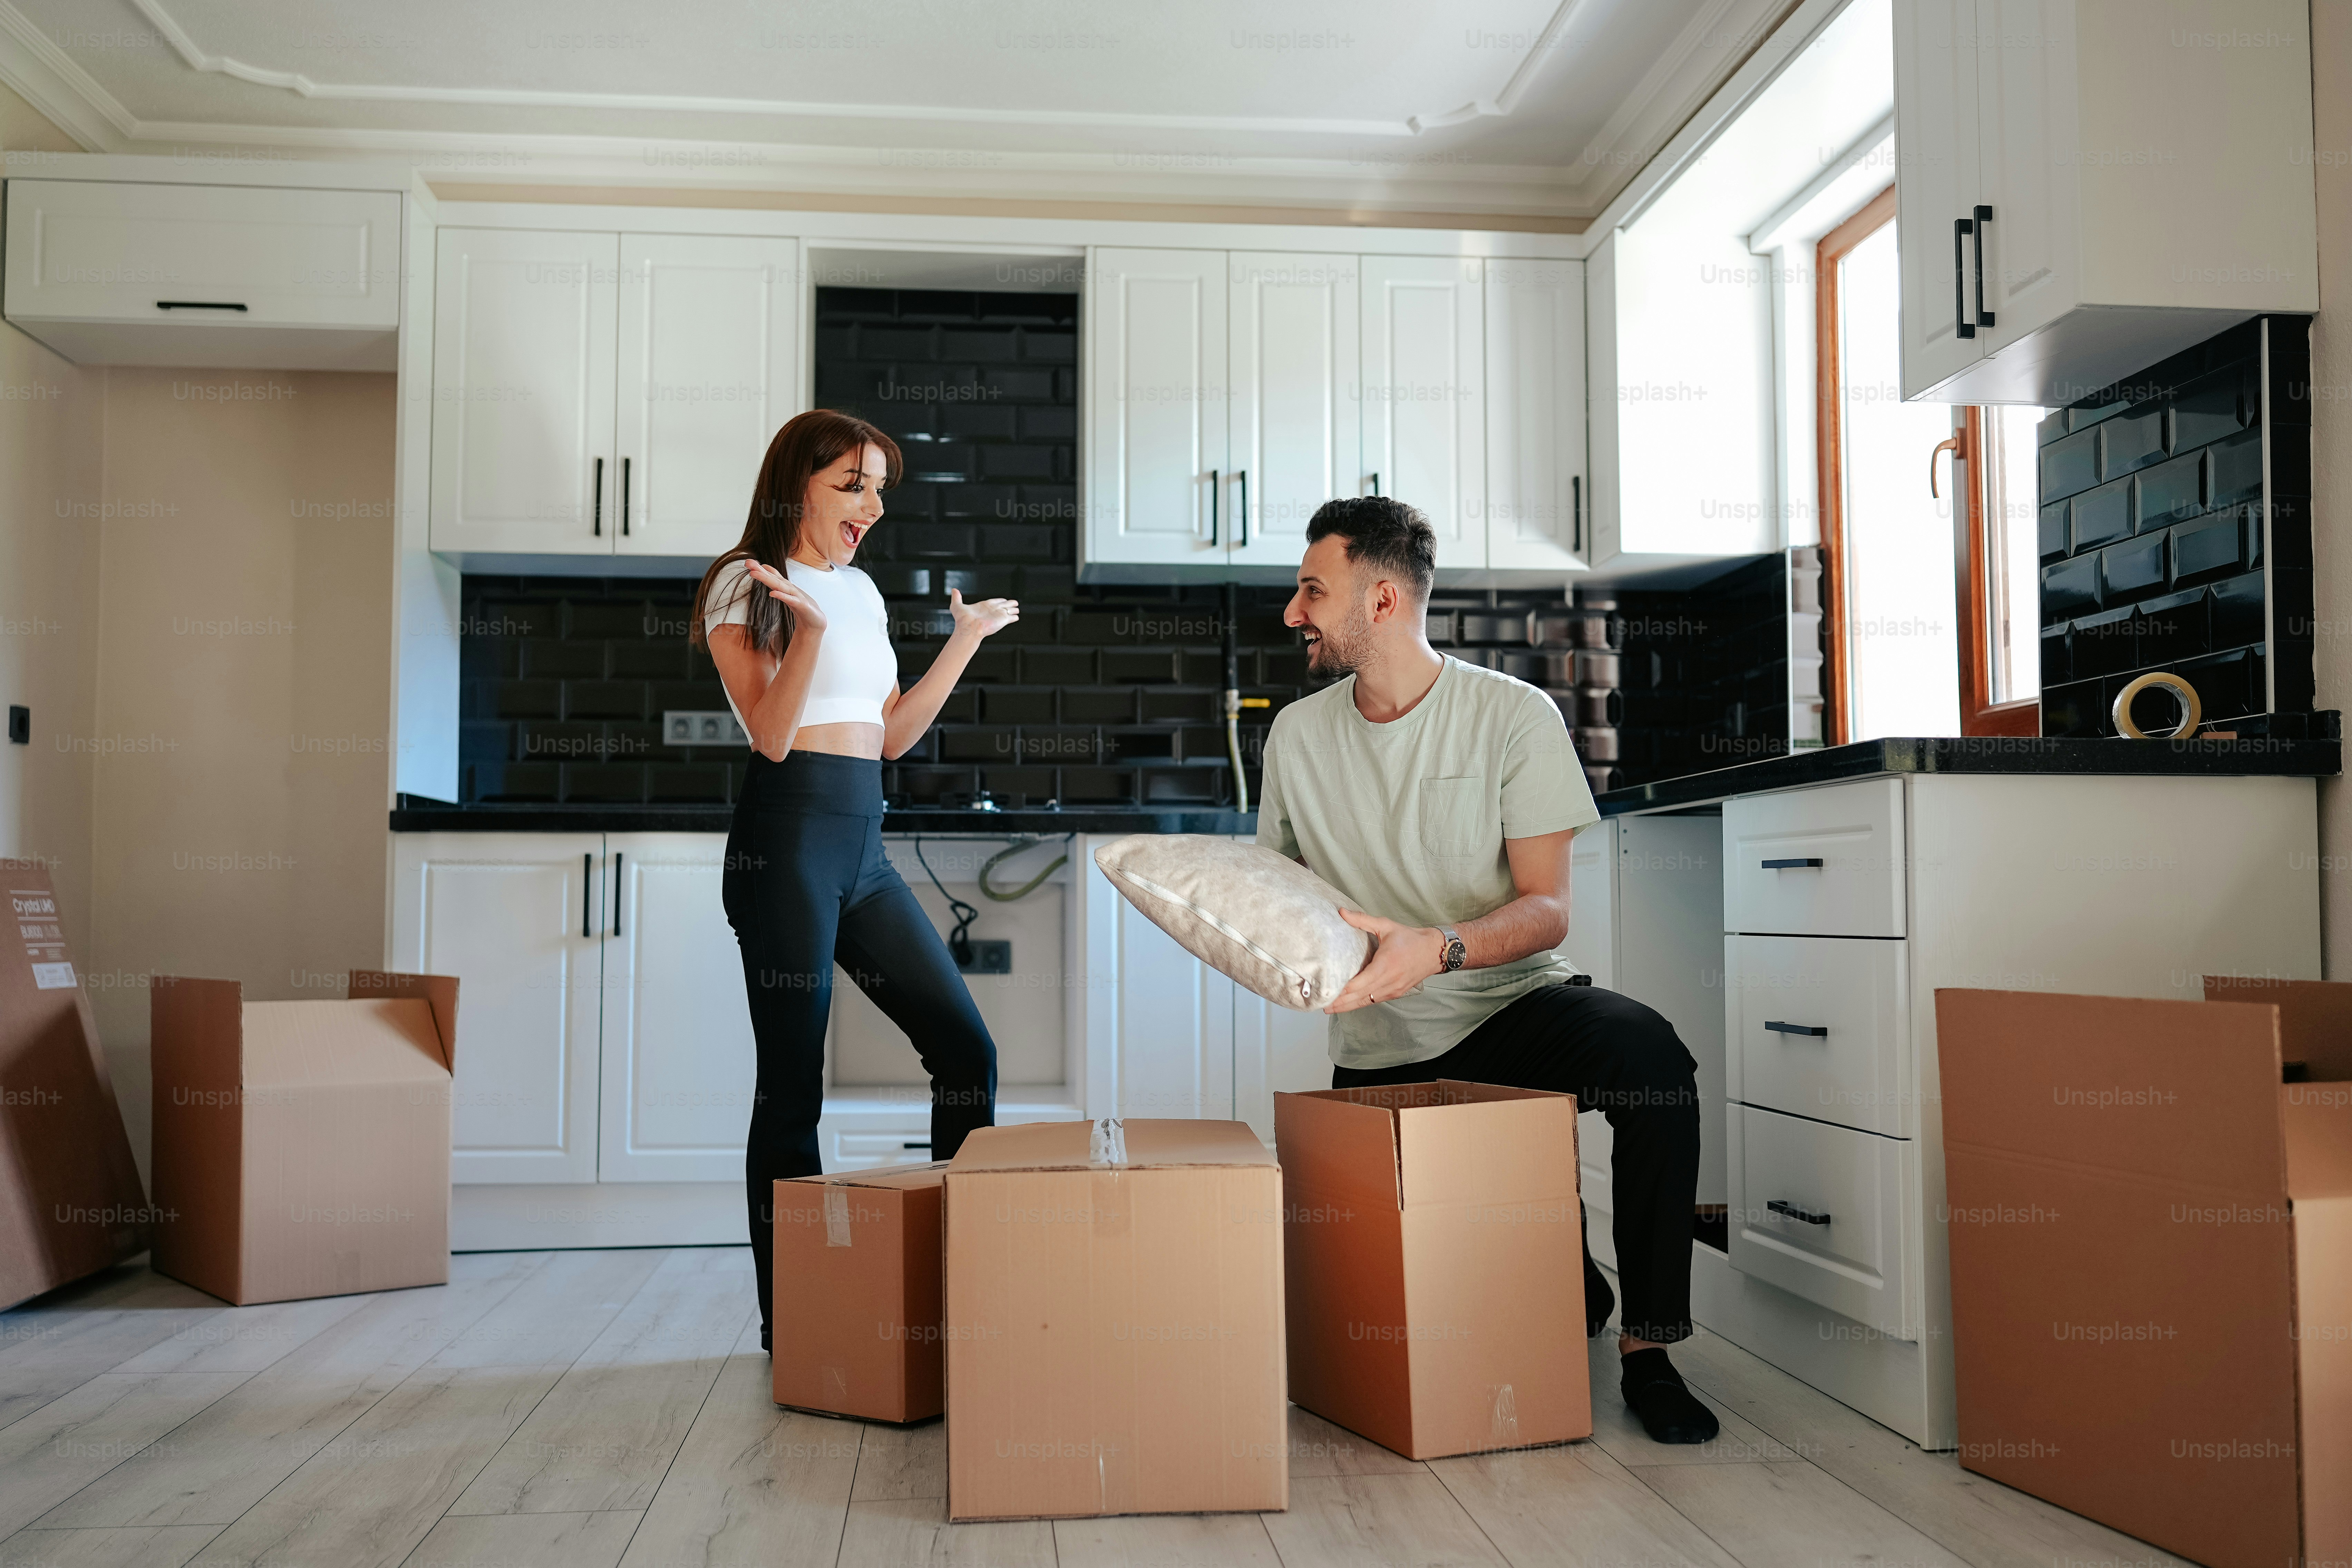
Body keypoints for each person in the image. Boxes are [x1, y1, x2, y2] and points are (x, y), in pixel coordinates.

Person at [1256, 495, 1720, 1444]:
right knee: (1432, 1310)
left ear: (1382, 601)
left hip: (1514, 1006)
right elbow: (1284, 894)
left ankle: (1651, 1350)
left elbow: (1548, 907)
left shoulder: (1512, 715)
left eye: (1314, 590)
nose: (1295, 613)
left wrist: (1438, 948)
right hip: (1383, 1042)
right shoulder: (1295, 738)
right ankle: (1572, 1275)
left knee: (1652, 1062)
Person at [690, 408, 1020, 1353]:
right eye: (853, 485)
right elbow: (770, 734)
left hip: (863, 846)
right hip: (784, 843)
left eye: (879, 486)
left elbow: (892, 734)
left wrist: (963, 641)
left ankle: (958, 1286)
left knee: (966, 1052)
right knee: (793, 1090)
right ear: (797, 484)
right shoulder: (740, 584)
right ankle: (788, 1320)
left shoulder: (862, 593)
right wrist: (804, 633)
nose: (873, 506)